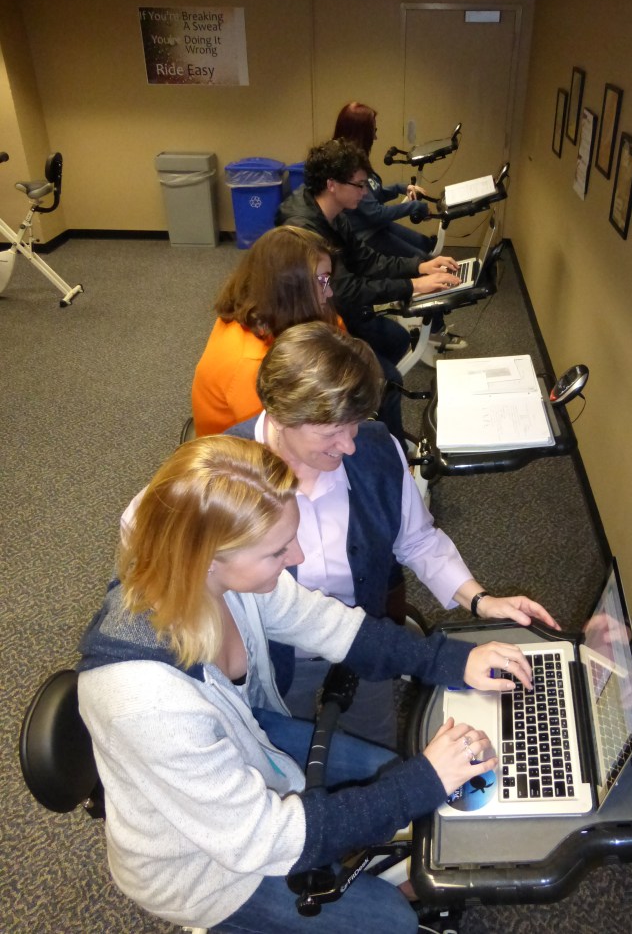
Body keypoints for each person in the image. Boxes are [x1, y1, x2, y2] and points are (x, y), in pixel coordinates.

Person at [79, 433, 536, 934]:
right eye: (278, 551)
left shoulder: (210, 581)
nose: (296, 555)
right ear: (210, 558)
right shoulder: (145, 705)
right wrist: (421, 784)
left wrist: (449, 661)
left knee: (388, 771)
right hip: (206, 870)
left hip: (250, 744)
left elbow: (332, 626)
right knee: (392, 922)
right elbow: (264, 840)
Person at [225, 322, 560, 748]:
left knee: (377, 752)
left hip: (370, 645)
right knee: (286, 763)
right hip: (274, 659)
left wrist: (479, 599)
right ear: (279, 415)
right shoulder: (224, 473)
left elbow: (417, 539)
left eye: (354, 425)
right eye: (331, 432)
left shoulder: (376, 447)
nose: (349, 446)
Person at [275, 139, 465, 403]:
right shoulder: (305, 232)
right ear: (332, 185)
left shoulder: (334, 210)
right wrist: (413, 286)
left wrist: (419, 266)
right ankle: (368, 418)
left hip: (337, 307)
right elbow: (345, 291)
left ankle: (365, 411)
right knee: (387, 383)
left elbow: (367, 260)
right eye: (359, 185)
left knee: (398, 340)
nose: (365, 192)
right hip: (317, 321)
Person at [191, 225, 338, 437]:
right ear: (290, 287)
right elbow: (278, 440)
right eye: (322, 280)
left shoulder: (258, 310)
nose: (330, 291)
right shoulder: (251, 365)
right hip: (242, 457)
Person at [332, 101, 436, 261]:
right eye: (373, 130)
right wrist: (414, 206)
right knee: (423, 261)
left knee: (426, 244)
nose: (375, 136)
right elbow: (376, 214)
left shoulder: (356, 158)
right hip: (364, 235)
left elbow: (373, 193)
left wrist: (401, 187)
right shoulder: (347, 165)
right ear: (362, 133)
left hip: (374, 226)